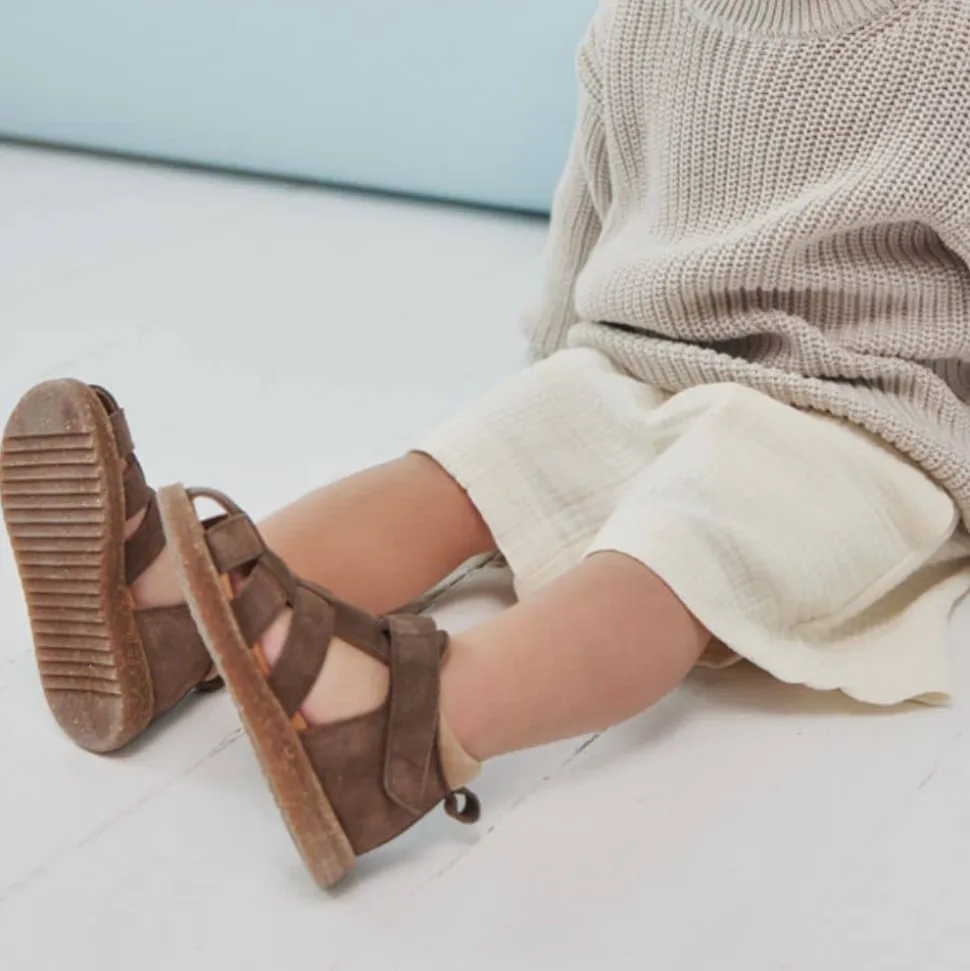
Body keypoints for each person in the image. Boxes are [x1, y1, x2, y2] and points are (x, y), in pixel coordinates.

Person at [4, 0, 970, 889]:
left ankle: (415, 724)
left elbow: (586, 212)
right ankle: (168, 607)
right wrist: (538, 398)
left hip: (863, 416)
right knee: (480, 463)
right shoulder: (649, 15)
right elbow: (590, 203)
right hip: (642, 359)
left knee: (694, 531)